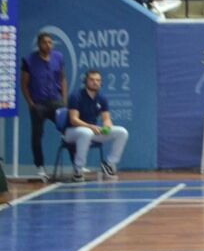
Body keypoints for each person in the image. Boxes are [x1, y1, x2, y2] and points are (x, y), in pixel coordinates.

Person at [65, 69, 129, 182]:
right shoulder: (76, 96)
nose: (95, 82)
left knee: (122, 132)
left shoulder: (102, 98)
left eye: (98, 80)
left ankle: (109, 164)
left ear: (101, 82)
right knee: (86, 132)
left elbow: (106, 118)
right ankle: (78, 169)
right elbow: (74, 120)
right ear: (85, 81)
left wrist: (107, 126)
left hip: (91, 131)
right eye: (92, 80)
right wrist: (90, 127)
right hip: (72, 132)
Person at [21, 32, 66, 181]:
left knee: (69, 129)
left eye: (50, 42)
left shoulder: (58, 57)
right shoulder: (29, 60)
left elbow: (63, 78)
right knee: (37, 135)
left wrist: (64, 100)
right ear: (39, 44)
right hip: (38, 105)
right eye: (45, 42)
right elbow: (24, 84)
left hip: (56, 102)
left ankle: (77, 165)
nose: (48, 45)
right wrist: (31, 103)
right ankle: (40, 167)